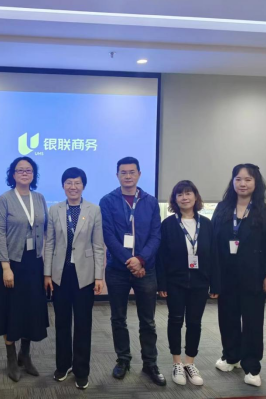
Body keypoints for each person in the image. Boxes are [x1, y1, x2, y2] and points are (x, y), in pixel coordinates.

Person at [212, 164, 266, 387]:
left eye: (248, 179)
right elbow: (213, 242)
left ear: (256, 182)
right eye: (238, 179)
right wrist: (212, 276)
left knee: (252, 321)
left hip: (254, 276)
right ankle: (231, 356)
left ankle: (252, 366)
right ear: (232, 181)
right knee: (227, 317)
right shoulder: (222, 208)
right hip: (226, 275)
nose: (242, 183)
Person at [99, 156, 165, 386]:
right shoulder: (107, 201)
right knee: (118, 318)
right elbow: (108, 235)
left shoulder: (150, 201)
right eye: (123, 172)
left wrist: (141, 260)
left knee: (148, 321)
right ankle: (123, 360)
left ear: (139, 174)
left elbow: (156, 235)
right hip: (118, 269)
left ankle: (150, 363)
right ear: (117, 175)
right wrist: (130, 261)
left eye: (132, 172)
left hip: (146, 269)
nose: (128, 176)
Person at [0, 156, 49, 382]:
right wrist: (6, 267)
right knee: (10, 311)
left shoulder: (39, 198)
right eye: (20, 170)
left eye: (29, 170)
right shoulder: (4, 199)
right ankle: (11, 358)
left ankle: (25, 354)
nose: (24, 173)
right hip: (12, 263)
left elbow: (45, 230)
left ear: (33, 174)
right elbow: (0, 235)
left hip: (35, 263)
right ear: (13, 174)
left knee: (31, 310)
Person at [44, 167, 105, 390]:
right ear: (63, 186)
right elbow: (49, 243)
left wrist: (99, 276)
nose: (73, 187)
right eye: (69, 182)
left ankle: (81, 370)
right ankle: (63, 366)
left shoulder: (94, 210)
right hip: (60, 274)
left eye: (77, 182)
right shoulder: (55, 210)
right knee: (61, 323)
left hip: (85, 275)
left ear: (83, 185)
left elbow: (98, 245)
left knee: (83, 324)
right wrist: (47, 273)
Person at [157, 180, 220, 386]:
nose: (184, 197)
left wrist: (215, 284)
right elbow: (161, 257)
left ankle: (190, 363)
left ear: (195, 196)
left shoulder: (207, 224)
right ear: (174, 200)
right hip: (175, 282)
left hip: (200, 282)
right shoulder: (168, 224)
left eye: (188, 193)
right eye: (180, 194)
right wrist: (162, 284)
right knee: (175, 320)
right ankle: (177, 363)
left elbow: (214, 255)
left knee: (194, 323)